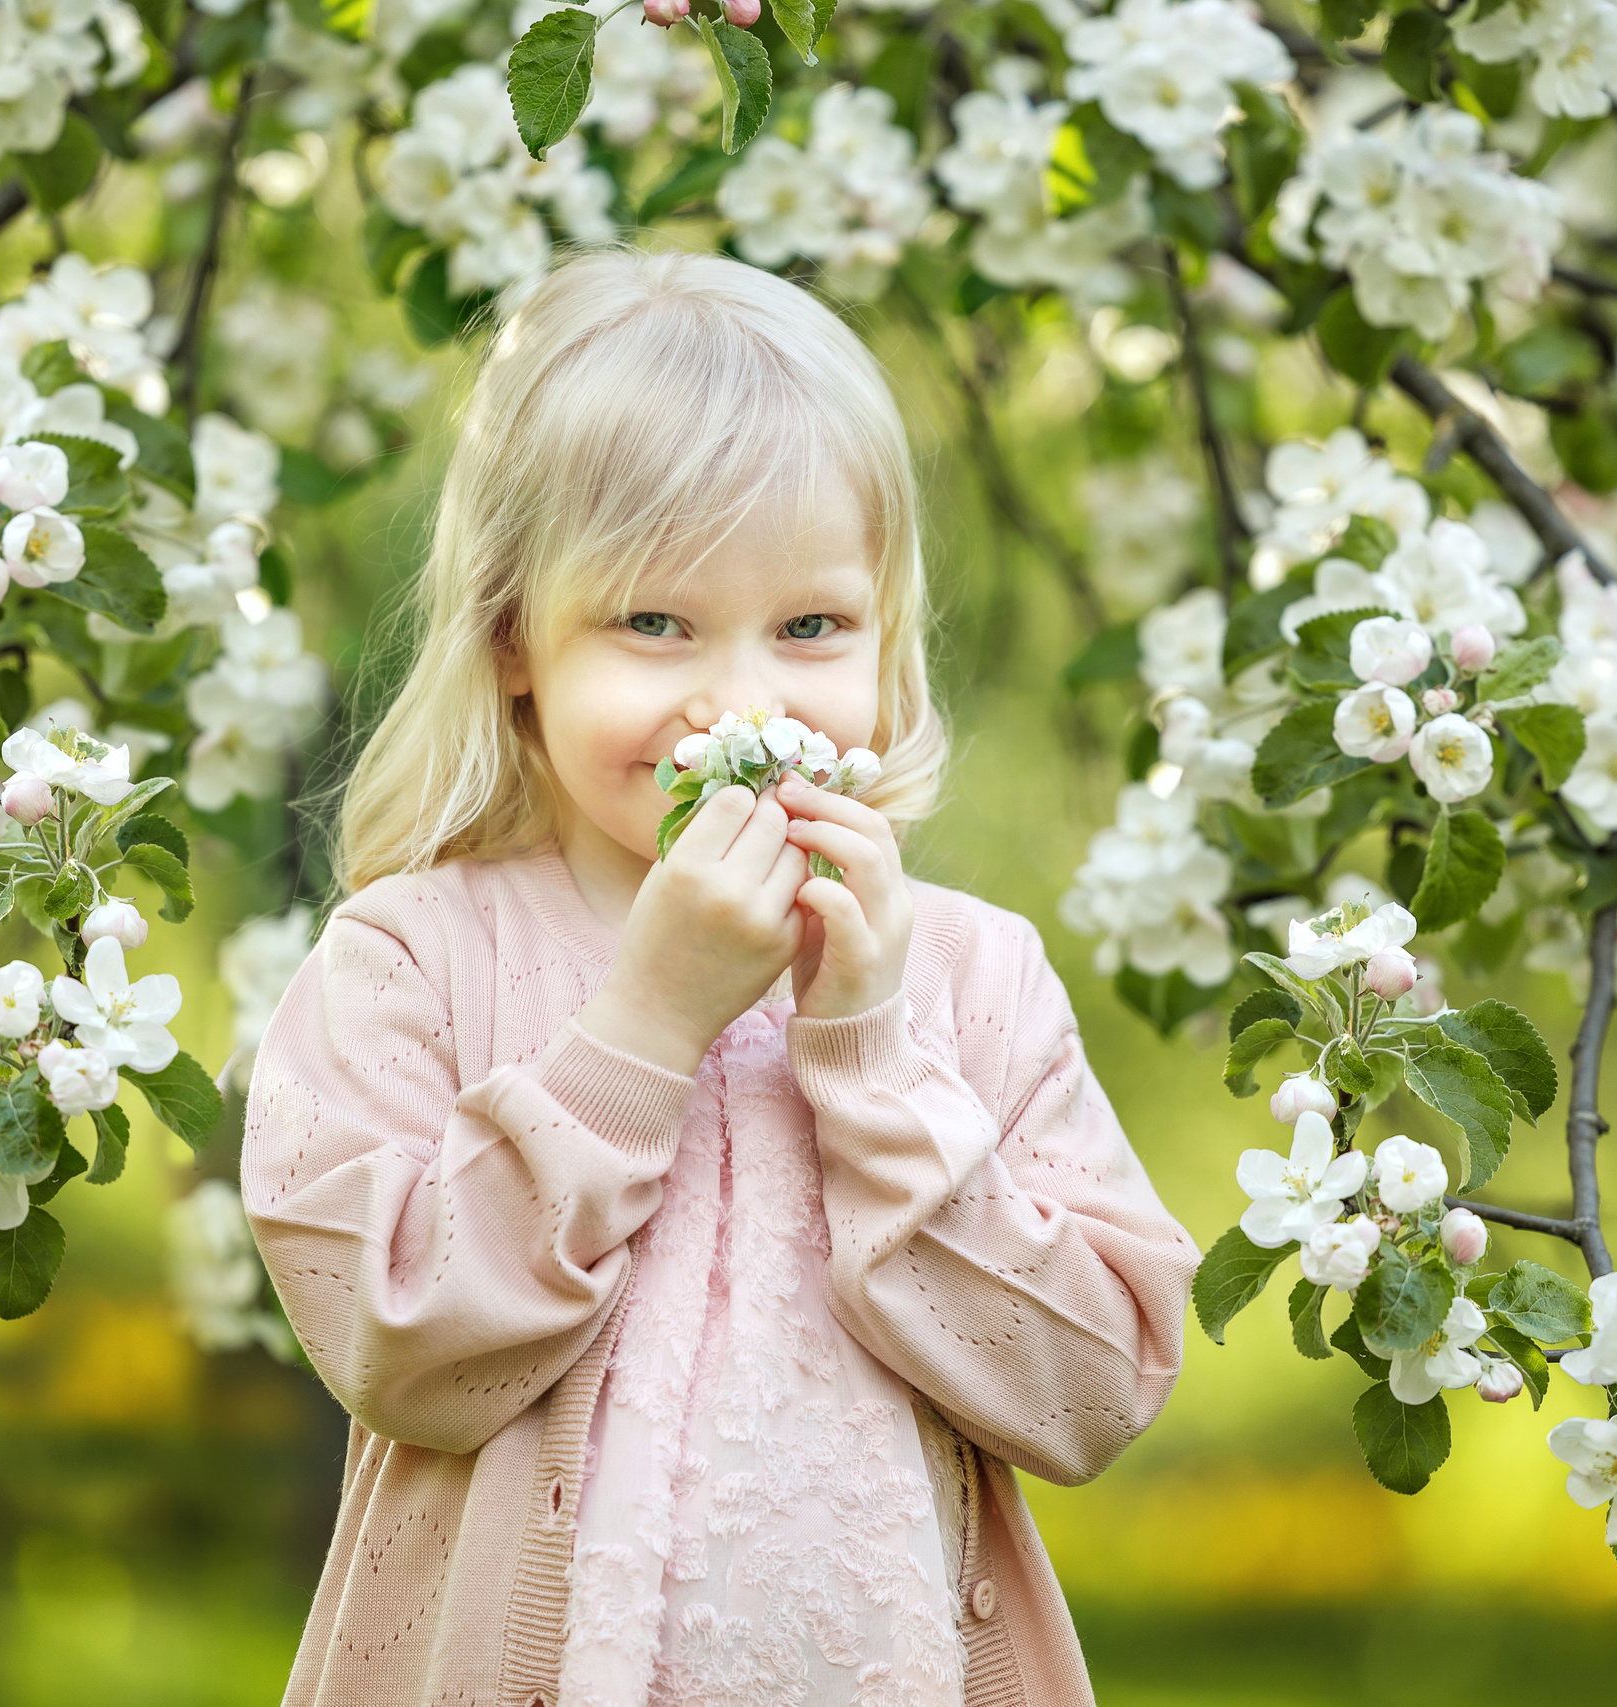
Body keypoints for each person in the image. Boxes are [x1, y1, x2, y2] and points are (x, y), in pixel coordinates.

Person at [243, 246, 1199, 1707]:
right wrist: (643, 1028)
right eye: (654, 623)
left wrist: (872, 1051)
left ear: (887, 648)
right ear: (514, 640)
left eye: (811, 628)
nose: (744, 701)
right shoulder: (408, 963)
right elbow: (404, 1344)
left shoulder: (966, 973)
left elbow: (1087, 1391)